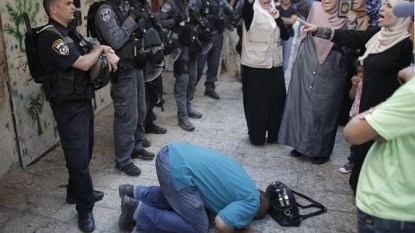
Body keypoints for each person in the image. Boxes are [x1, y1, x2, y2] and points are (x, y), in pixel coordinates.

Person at [300, 0, 412, 188]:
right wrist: (319, 30)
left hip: (385, 119)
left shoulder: (407, 44)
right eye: (383, 4)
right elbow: (353, 37)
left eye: (389, 6)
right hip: (367, 110)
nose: (381, 9)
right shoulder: (380, 34)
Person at [37, 0, 120, 231]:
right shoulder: (50, 37)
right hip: (68, 108)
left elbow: (90, 45)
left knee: (83, 153)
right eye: (67, 3)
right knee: (77, 158)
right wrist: (101, 49)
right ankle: (85, 208)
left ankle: (75, 192)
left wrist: (103, 48)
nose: (73, 6)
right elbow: (83, 63)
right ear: (53, 8)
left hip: (81, 102)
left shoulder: (69, 32)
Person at [343, 4, 415, 232]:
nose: (411, 29)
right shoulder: (382, 36)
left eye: (412, 22)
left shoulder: (411, 92)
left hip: (392, 209)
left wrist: (382, 110)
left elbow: (354, 132)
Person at [117, 142, 270, 232]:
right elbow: (221, 223)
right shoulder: (252, 203)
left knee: (182, 202)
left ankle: (134, 192)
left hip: (172, 152)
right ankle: (137, 212)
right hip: (175, 169)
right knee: (198, 226)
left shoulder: (244, 184)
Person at [277, 0, 347, 164]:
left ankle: (321, 151)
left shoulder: (345, 15)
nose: (327, 1)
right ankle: (299, 145)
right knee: (302, 103)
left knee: (324, 108)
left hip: (332, 65)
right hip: (308, 59)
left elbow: (351, 41)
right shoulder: (315, 8)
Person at [95, 0, 157, 177]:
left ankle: (136, 147)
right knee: (126, 116)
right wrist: (131, 18)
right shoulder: (105, 11)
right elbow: (115, 39)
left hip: (135, 66)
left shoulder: (125, 6)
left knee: (139, 110)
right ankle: (123, 160)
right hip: (122, 71)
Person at [240, 0, 289, 145]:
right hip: (255, 64)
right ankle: (257, 136)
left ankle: (274, 134)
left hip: (275, 63)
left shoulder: (274, 10)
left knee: (278, 100)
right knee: (257, 103)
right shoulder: (252, 10)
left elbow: (285, 36)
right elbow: (246, 11)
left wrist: (278, 18)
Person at [159, 0, 204, 131]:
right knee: (182, 83)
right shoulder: (171, 3)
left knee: (192, 80)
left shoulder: (191, 3)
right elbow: (160, 21)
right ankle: (182, 116)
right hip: (180, 49)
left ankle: (188, 107)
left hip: (193, 47)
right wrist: (174, 21)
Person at [192, 0, 234, 100]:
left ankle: (210, 88)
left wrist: (223, 15)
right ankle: (191, 88)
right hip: (203, 36)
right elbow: (192, 11)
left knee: (214, 63)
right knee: (199, 65)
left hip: (217, 34)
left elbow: (229, 10)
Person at [339, 61, 364, 174]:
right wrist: (354, 86)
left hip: (363, 114)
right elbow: (351, 96)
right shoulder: (357, 83)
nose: (360, 75)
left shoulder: (370, 83)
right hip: (354, 112)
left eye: (363, 72)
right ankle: (351, 161)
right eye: (358, 72)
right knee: (354, 142)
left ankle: (355, 161)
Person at [276, 0, 297, 72]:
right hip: (277, 34)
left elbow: (292, 21)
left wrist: (278, 18)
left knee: (286, 58)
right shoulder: (277, 8)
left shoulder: (293, 9)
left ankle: (282, 74)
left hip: (289, 35)